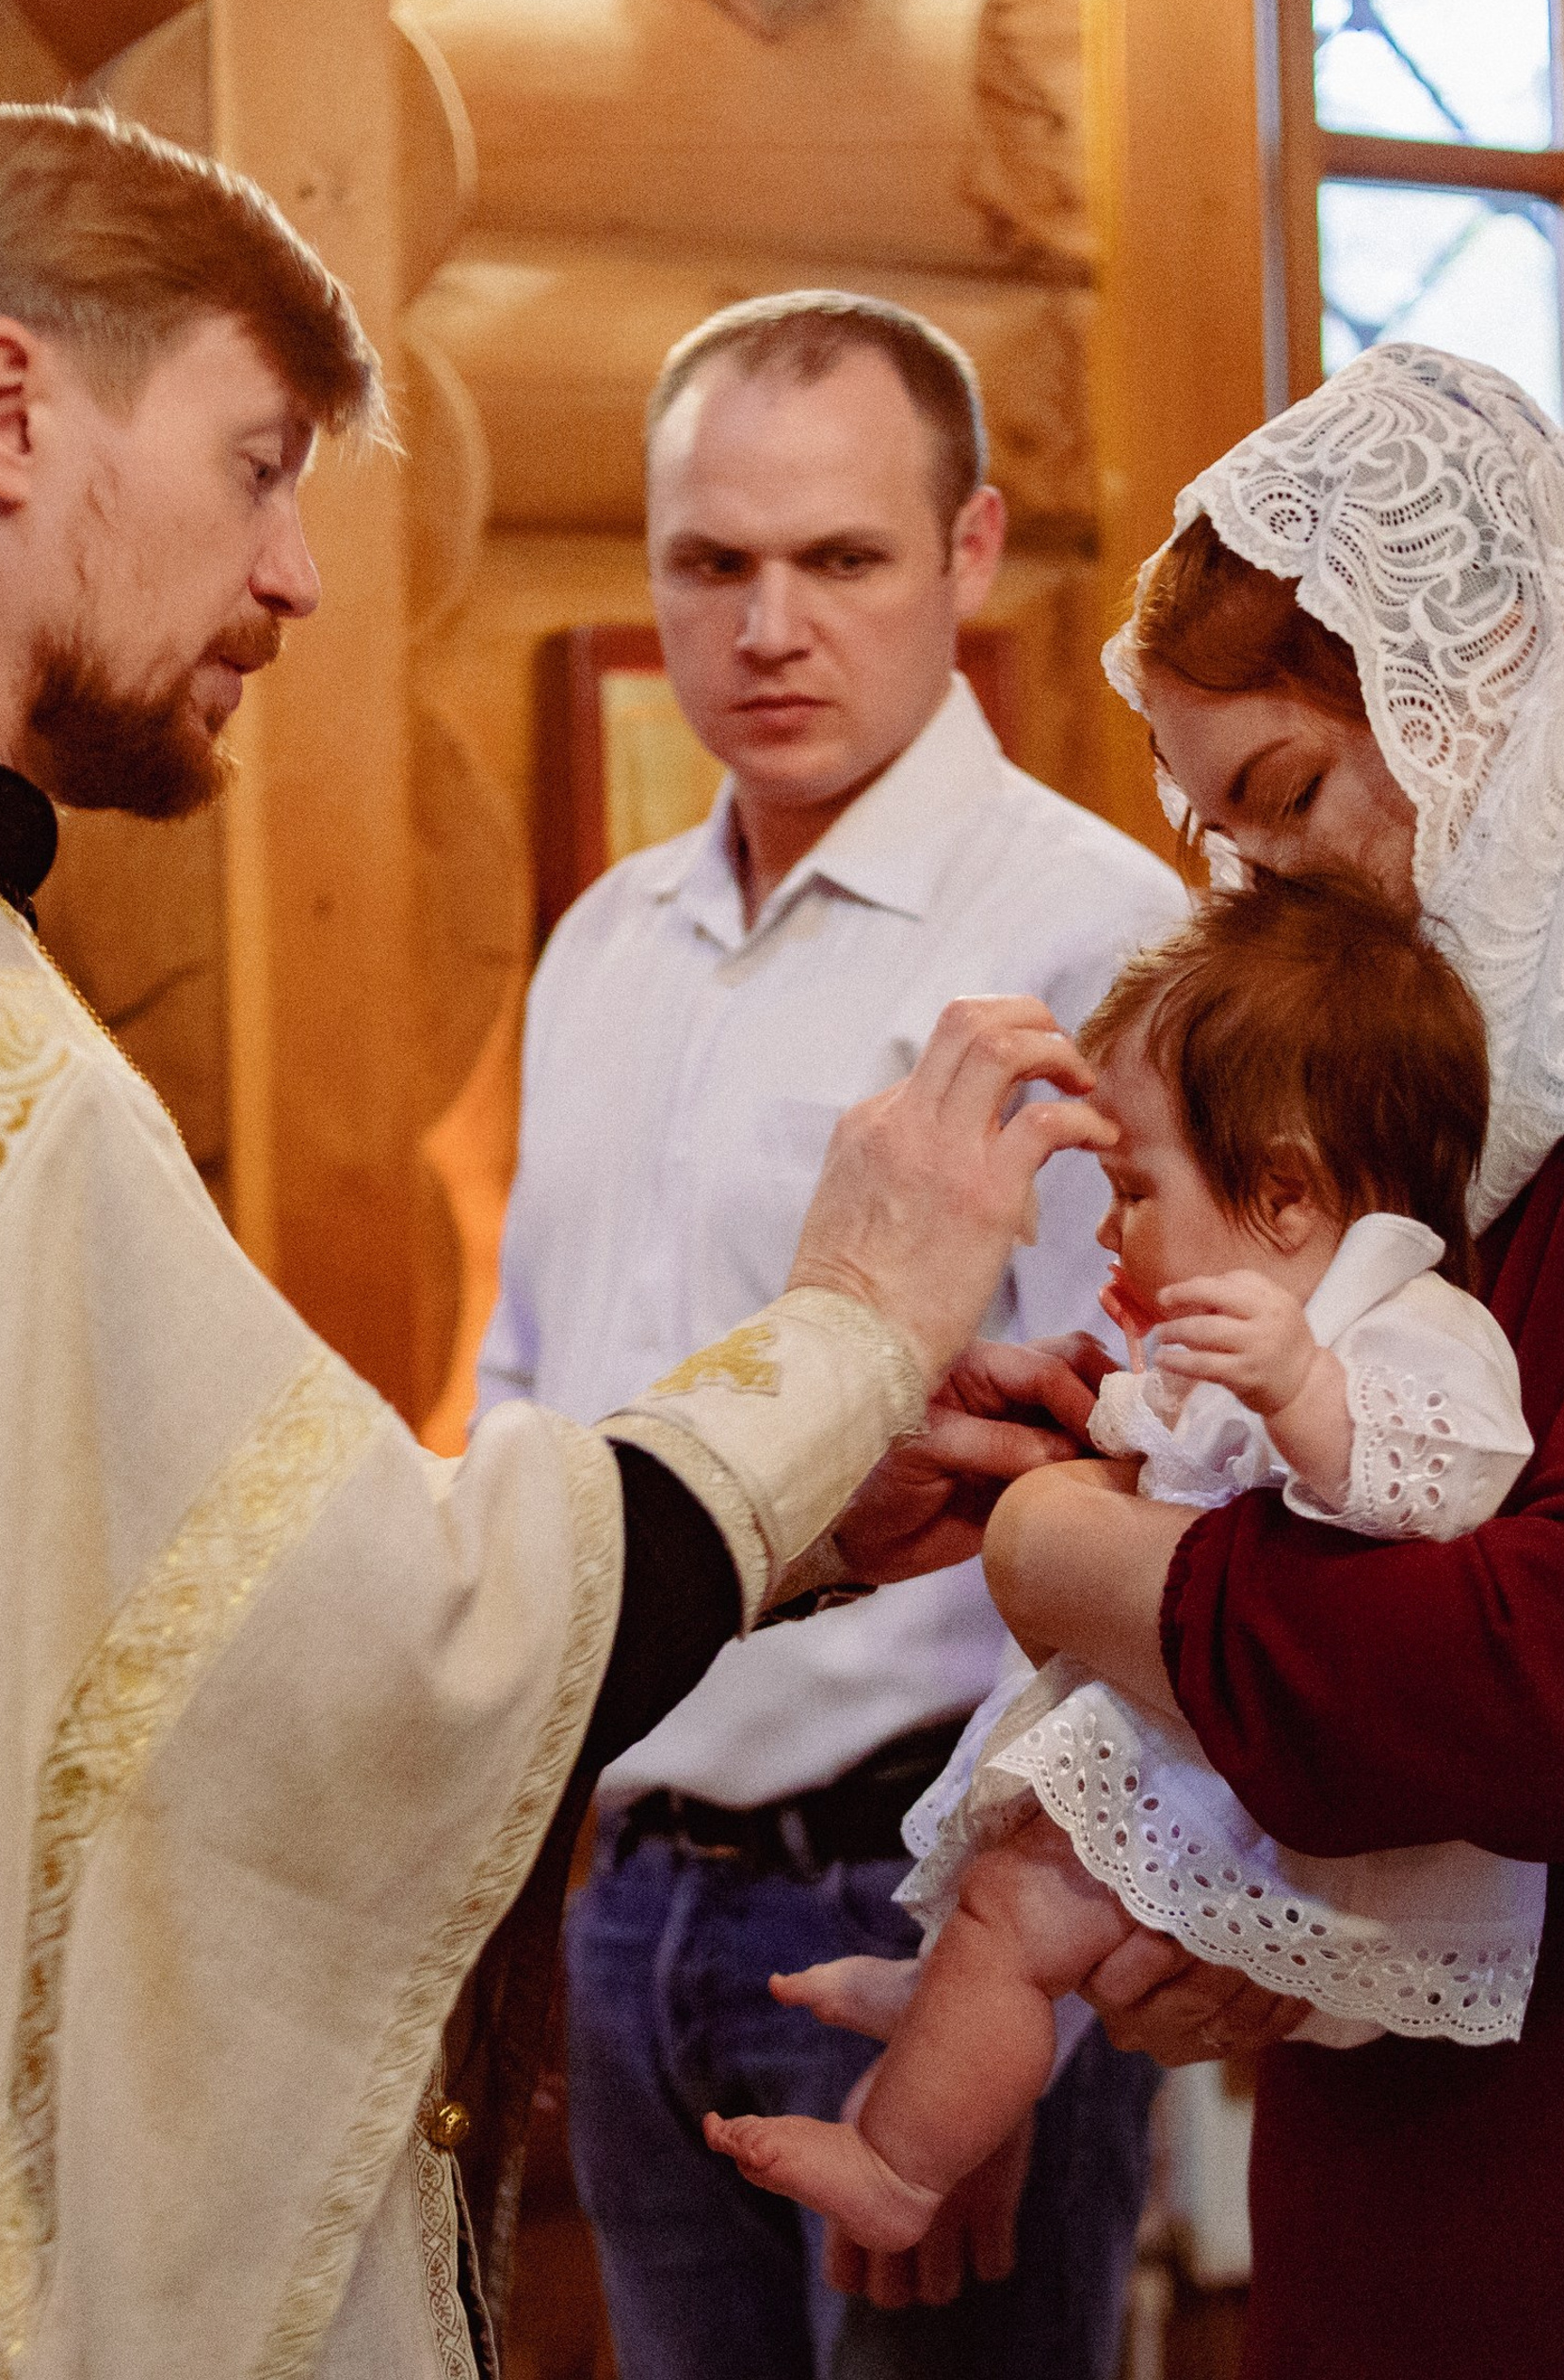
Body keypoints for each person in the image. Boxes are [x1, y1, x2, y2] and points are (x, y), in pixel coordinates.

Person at [0, 109, 1119, 2380]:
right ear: (4, 413)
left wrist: (827, 1581)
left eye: (836, 559)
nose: (297, 575)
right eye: (256, 465)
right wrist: (850, 1320)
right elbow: (375, 1646)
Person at [978, 344, 1564, 2378]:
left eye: (1293, 798)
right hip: (1431, 2164)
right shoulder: (1482, 1088)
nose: (1273, 894)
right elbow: (1358, 1560)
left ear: (1491, 695)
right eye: (1225, 839)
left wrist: (1069, 1559)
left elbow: (1558, 1679)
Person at [476, 292, 1184, 2377]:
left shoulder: (1096, 934)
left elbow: (1152, 1465)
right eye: (711, 562)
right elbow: (533, 1385)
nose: (766, 622)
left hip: (924, 1892)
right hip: (629, 1891)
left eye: (839, 558)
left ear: (964, 553)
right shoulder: (606, 937)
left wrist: (1016, 1972)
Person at [703, 869, 1542, 2249]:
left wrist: (1302, 1400)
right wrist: (1089, 1406)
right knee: (1013, 1897)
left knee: (1025, 1901)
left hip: (1296, 1807)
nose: (1110, 1230)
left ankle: (900, 2169)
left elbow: (1451, 1483)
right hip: (1210, 1751)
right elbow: (1167, 1449)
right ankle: (947, 1998)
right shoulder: (1260, 1333)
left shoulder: (1405, 1327)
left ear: (1284, 1195)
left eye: (1136, 1190)